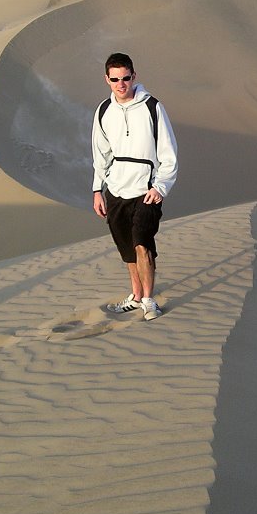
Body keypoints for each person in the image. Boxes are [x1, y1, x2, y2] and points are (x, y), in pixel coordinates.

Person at [92, 52, 178, 320]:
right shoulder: (104, 110)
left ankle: (149, 300)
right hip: (116, 188)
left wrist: (160, 187)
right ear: (107, 79)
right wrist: (97, 189)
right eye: (115, 79)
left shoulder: (152, 107)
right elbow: (101, 153)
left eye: (126, 78)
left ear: (134, 76)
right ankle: (136, 295)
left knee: (142, 242)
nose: (121, 84)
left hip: (147, 189)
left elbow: (169, 153)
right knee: (127, 247)